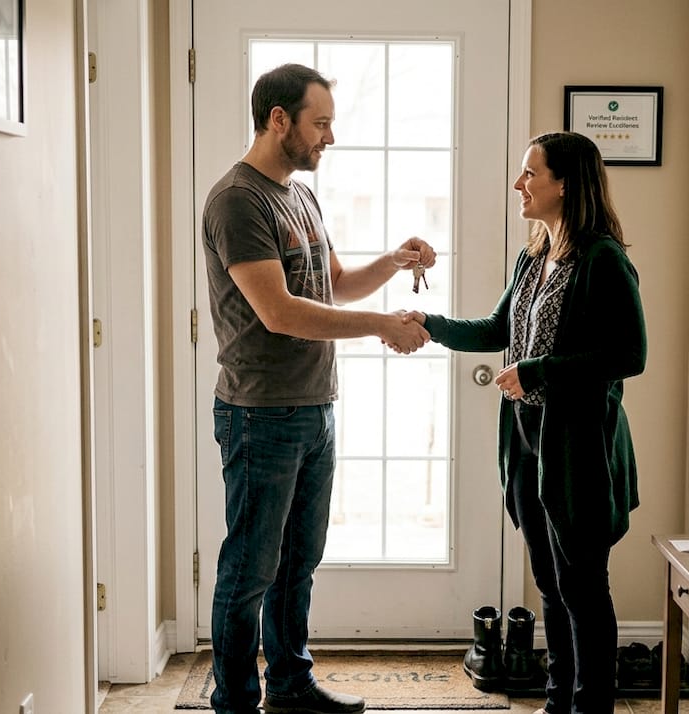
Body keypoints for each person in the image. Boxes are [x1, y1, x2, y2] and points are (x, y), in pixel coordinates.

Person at [201, 63, 435, 714]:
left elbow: (333, 286)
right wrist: (383, 326)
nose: (329, 137)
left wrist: (393, 261)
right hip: (259, 413)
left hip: (314, 407)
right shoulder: (237, 200)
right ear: (279, 119)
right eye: (320, 123)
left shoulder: (300, 196)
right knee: (250, 569)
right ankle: (235, 703)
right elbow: (280, 312)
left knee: (298, 561)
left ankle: (291, 685)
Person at [404, 131, 646, 714]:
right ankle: (558, 701)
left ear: (565, 184)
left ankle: (591, 709)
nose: (519, 184)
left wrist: (538, 372)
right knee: (551, 586)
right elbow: (497, 329)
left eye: (530, 173)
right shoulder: (533, 256)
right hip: (525, 443)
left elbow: (628, 355)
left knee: (583, 589)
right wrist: (428, 324)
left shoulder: (603, 260)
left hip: (577, 448)